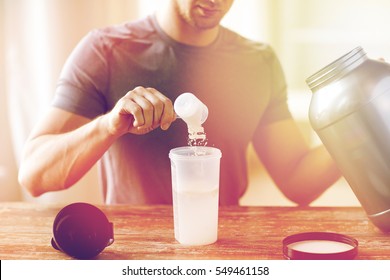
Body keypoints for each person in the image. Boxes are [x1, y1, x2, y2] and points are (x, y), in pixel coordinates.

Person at [18, 0, 340, 205]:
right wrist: (109, 125)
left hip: (223, 252)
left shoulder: (259, 62)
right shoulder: (106, 51)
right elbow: (33, 175)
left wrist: (360, 125)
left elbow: (298, 180)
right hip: (132, 255)